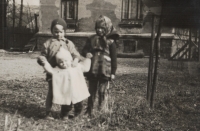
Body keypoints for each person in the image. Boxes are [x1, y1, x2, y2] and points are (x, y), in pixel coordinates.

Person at [37, 18, 81, 120]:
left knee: (66, 91)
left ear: (64, 31)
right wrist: (42, 60)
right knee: (52, 92)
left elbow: (76, 54)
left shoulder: (68, 43)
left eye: (61, 32)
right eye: (56, 31)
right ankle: (48, 112)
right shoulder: (47, 43)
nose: (58, 34)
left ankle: (64, 113)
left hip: (66, 73)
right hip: (53, 72)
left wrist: (75, 60)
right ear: (52, 31)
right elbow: (43, 55)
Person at [38, 47, 91, 120]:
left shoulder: (76, 67)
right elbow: (50, 70)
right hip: (66, 91)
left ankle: (77, 114)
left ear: (70, 60)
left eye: (66, 61)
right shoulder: (57, 70)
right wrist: (45, 63)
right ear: (58, 63)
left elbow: (86, 68)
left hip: (77, 90)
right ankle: (64, 115)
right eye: (61, 62)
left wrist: (88, 59)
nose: (64, 63)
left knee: (79, 104)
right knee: (66, 104)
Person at [82, 15, 119, 116]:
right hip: (93, 69)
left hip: (104, 70)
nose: (99, 30)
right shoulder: (91, 39)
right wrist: (86, 53)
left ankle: (101, 110)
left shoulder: (111, 42)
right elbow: (84, 50)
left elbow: (114, 59)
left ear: (107, 28)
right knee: (91, 91)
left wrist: (113, 72)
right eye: (97, 28)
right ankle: (89, 110)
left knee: (102, 91)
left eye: (102, 28)